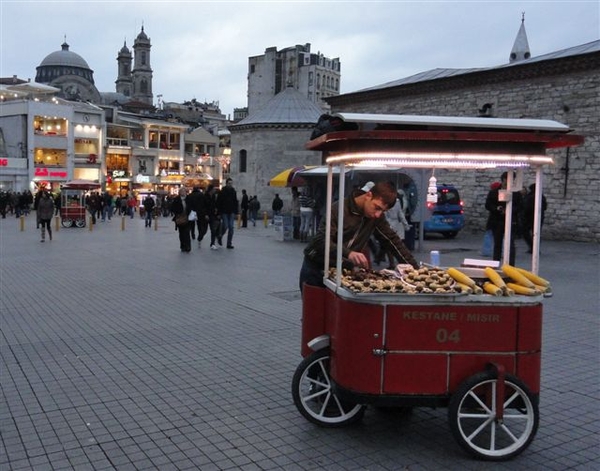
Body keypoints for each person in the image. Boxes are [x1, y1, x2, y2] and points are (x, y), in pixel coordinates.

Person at [299, 181, 419, 291]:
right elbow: (321, 241)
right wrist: (349, 253)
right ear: (368, 195)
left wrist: (415, 269)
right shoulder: (338, 209)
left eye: (382, 211)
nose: (378, 214)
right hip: (315, 268)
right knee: (314, 312)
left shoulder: (376, 218)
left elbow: (392, 240)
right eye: (377, 208)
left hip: (341, 271)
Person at [485, 172, 523, 265]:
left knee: (510, 245)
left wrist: (510, 210)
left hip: (510, 221)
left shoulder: (516, 194)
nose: (509, 183)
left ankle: (510, 266)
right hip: (497, 221)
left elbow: (521, 207)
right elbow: (488, 205)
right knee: (497, 244)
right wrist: (497, 208)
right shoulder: (494, 192)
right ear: (503, 180)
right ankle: (496, 264)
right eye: (507, 180)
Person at [375, 191, 412, 268]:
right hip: (396, 224)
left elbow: (384, 214)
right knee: (392, 243)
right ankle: (383, 259)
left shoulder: (385, 202)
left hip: (388, 223)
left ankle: (387, 261)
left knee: (388, 245)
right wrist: (406, 225)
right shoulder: (398, 202)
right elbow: (400, 214)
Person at [523, 183, 548, 253]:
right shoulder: (541, 197)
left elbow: (526, 208)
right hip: (539, 217)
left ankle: (532, 247)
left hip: (529, 218)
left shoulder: (530, 197)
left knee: (525, 232)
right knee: (536, 234)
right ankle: (535, 248)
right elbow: (545, 207)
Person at [217, 178, 238, 249]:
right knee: (225, 226)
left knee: (231, 227)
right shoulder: (222, 191)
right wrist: (219, 213)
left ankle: (229, 243)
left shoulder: (233, 191)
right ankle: (220, 235)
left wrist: (236, 211)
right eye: (229, 183)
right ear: (226, 184)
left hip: (231, 211)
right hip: (224, 211)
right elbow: (219, 202)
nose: (230, 185)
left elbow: (235, 201)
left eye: (231, 183)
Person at [171, 187, 192, 252]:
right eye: (181, 191)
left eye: (184, 191)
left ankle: (188, 246)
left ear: (186, 192)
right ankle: (182, 246)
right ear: (179, 192)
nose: (183, 192)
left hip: (187, 217)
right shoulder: (176, 199)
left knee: (187, 232)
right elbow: (172, 208)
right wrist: (177, 213)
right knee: (181, 233)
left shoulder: (189, 199)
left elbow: (192, 206)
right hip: (179, 218)